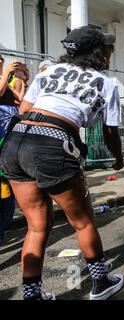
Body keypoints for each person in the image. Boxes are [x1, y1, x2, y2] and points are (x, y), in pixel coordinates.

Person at [0, 26, 124, 300]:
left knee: (36, 226)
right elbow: (110, 132)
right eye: (107, 49)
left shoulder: (50, 72)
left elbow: (23, 111)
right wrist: (118, 158)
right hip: (53, 143)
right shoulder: (107, 83)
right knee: (82, 221)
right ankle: (101, 283)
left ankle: (32, 295)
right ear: (99, 54)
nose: (109, 53)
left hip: (15, 142)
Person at [0, 55, 26, 244]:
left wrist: (24, 78)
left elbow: (20, 100)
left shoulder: (6, 84)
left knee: (7, 199)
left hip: (8, 144)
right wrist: (6, 74)